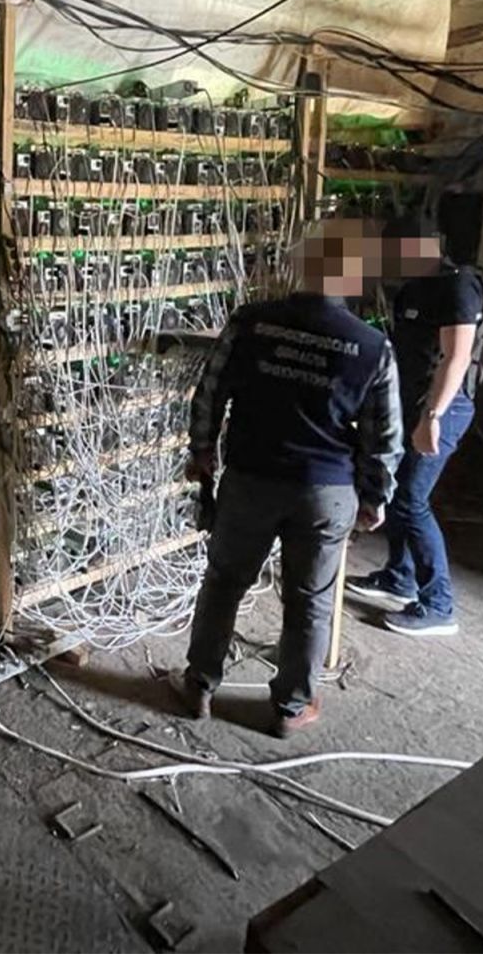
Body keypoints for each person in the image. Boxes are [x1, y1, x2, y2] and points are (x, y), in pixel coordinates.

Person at [174, 222, 402, 736]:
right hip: (326, 491)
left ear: (299, 264)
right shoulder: (372, 347)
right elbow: (384, 436)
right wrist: (375, 496)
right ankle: (291, 707)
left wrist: (202, 451)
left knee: (224, 583)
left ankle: (199, 684)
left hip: (251, 479)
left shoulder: (251, 322)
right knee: (310, 600)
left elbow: (210, 392)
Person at [345, 216, 483, 638]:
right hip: (409, 402)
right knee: (393, 489)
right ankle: (399, 577)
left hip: (445, 406)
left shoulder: (459, 286)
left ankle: (439, 604)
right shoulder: (412, 288)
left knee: (410, 499)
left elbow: (456, 358)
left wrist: (433, 417)